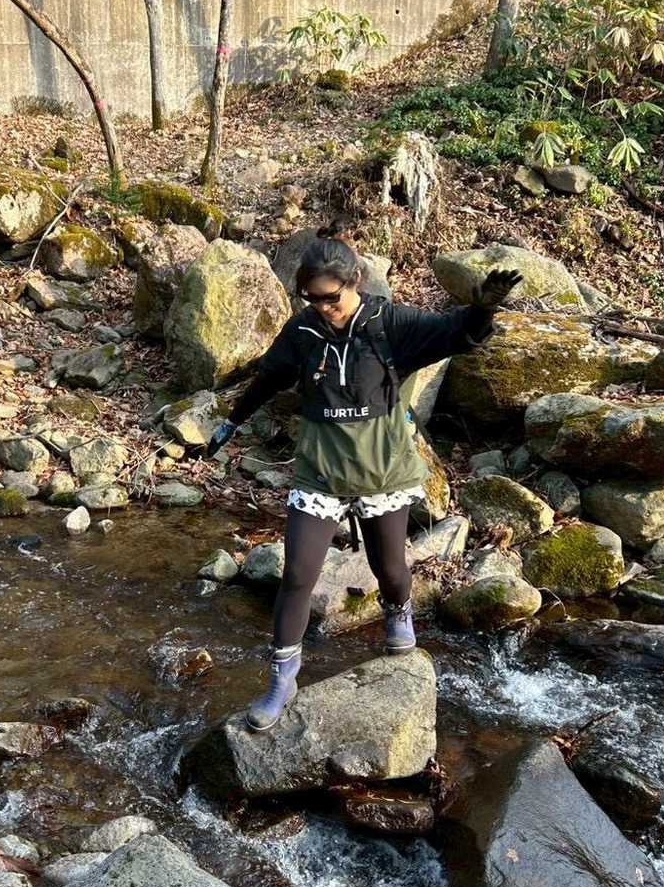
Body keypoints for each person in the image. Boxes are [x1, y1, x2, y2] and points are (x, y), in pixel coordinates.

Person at [207, 235, 521, 732]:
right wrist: (231, 421)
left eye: (331, 297)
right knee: (298, 574)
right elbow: (269, 378)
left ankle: (398, 613)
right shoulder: (303, 331)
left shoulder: (389, 323)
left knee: (389, 567)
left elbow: (452, 334)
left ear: (355, 281)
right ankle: (282, 679)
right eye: (312, 298)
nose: (322, 307)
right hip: (321, 471)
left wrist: (481, 311)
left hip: (382, 470)